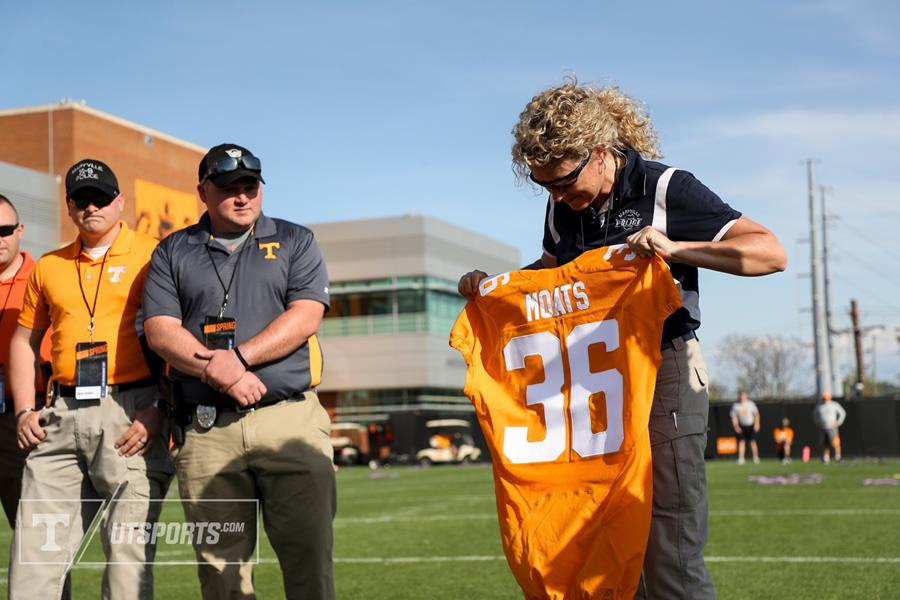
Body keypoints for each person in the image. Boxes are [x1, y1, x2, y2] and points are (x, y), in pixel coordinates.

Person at [457, 79, 787, 599]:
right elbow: (555, 273)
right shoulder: (562, 206)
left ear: (601, 152)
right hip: (595, 389)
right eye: (544, 187)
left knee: (668, 548)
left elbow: (769, 252)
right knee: (603, 541)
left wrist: (676, 248)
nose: (557, 196)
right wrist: (493, 288)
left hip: (666, 366)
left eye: (563, 181)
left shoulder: (665, 187)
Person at [142, 143, 335, 600]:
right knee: (221, 574)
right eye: (230, 189)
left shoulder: (295, 239)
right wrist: (225, 373)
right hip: (208, 428)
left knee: (309, 562)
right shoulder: (173, 250)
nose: (243, 197)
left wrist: (241, 358)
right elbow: (160, 331)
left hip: (288, 418)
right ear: (203, 192)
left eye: (250, 187)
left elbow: (307, 314)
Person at [9, 159, 172, 600]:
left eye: (101, 197)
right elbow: (24, 341)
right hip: (60, 415)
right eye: (82, 199)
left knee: (126, 569)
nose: (92, 207)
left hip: (130, 413)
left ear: (120, 201)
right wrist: (25, 408)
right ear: (69, 207)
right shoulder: (50, 265)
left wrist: (160, 408)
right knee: (33, 564)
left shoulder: (156, 252)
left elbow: (176, 336)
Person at [813, 392, 846, 463]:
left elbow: (842, 413)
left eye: (826, 399)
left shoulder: (834, 405)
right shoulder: (820, 406)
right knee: (825, 443)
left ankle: (838, 457)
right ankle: (826, 457)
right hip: (823, 427)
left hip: (832, 427)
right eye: (824, 399)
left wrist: (838, 422)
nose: (825, 400)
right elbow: (815, 415)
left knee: (835, 442)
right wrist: (819, 423)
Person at [730, 391, 760, 464]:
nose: (742, 397)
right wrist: (736, 426)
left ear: (746, 396)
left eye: (744, 396)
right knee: (741, 442)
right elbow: (734, 417)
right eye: (741, 396)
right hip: (742, 426)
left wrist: (757, 424)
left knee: (752, 441)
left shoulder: (751, 404)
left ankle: (755, 458)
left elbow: (756, 414)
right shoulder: (735, 405)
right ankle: (741, 459)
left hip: (751, 425)